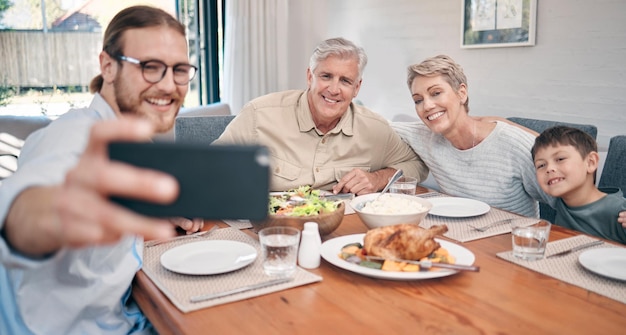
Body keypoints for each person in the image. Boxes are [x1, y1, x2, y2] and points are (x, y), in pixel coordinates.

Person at [0, 6, 203, 334]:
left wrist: (156, 211)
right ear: (108, 66)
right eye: (151, 67)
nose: (169, 85)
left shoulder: (136, 144)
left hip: (127, 315)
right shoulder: (74, 134)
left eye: (179, 70)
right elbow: (23, 210)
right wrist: (58, 212)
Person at [213, 37, 429, 195]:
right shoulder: (259, 115)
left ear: (357, 88)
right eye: (326, 76)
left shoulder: (374, 129)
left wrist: (377, 178)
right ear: (310, 77)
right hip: (273, 230)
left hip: (343, 230)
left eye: (345, 81)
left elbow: (415, 164)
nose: (334, 89)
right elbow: (210, 166)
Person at [392, 55, 554, 217]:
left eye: (436, 93)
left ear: (462, 93)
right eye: (418, 100)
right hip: (458, 236)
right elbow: (374, 124)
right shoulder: (423, 135)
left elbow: (570, 197)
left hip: (511, 238)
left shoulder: (513, 143)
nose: (427, 106)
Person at [532, 126, 626, 244]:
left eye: (560, 159)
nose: (549, 169)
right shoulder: (561, 200)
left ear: (590, 162)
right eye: (541, 165)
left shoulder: (619, 211)